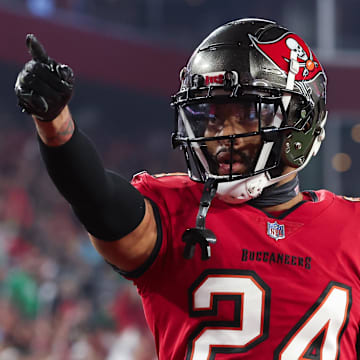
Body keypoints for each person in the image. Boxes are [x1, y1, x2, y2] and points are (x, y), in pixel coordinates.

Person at [14, 17, 360, 359]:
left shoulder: (352, 228)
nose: (221, 134)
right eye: (212, 116)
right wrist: (55, 121)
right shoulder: (178, 211)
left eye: (246, 114)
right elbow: (96, 199)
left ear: (298, 122)